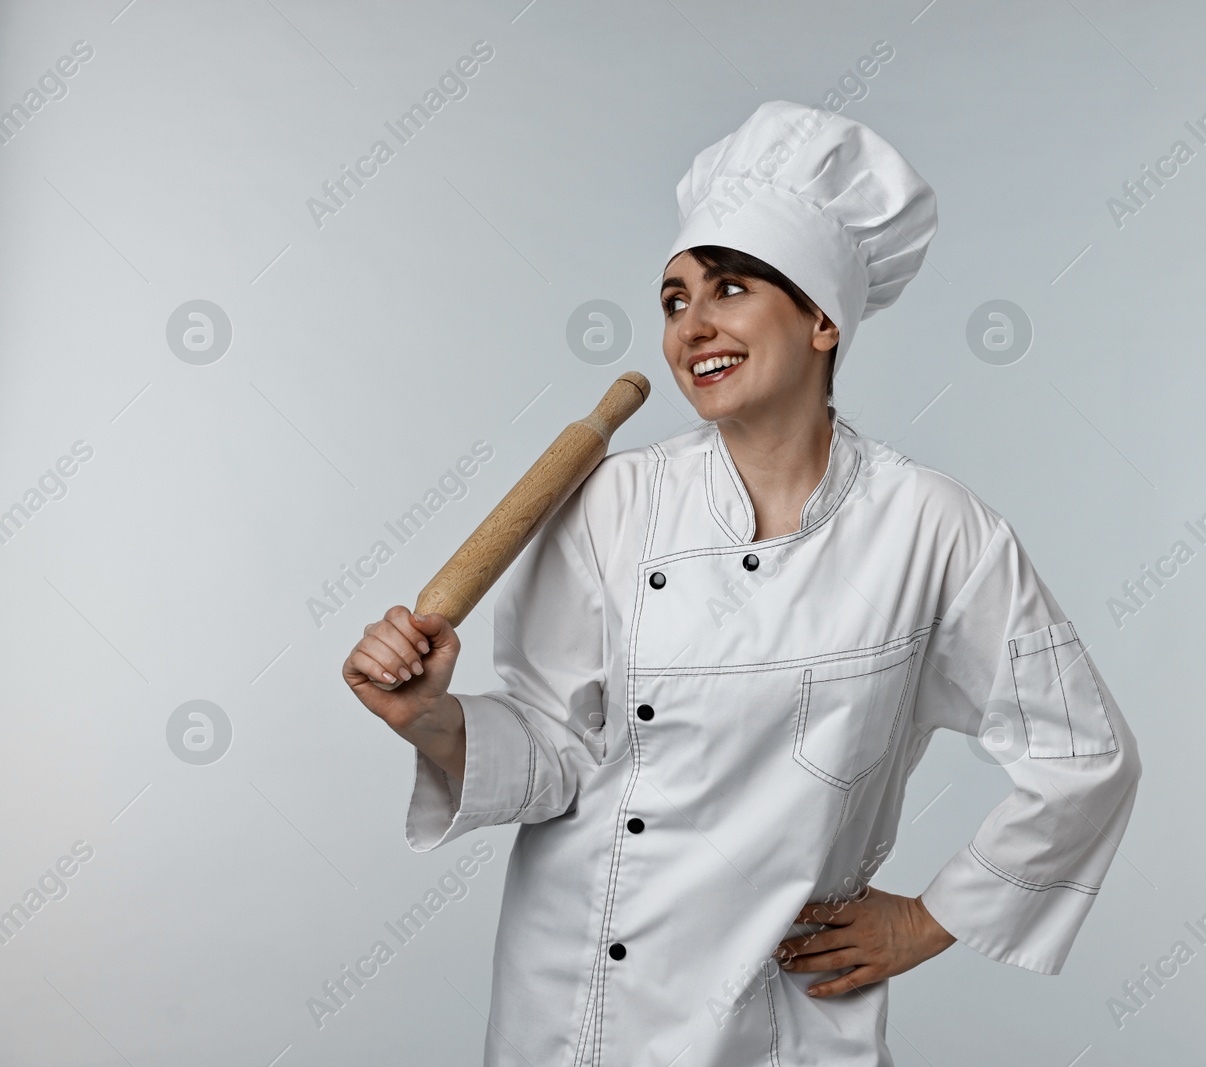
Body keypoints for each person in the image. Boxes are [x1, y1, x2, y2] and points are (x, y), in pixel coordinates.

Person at [343, 100, 1141, 1067]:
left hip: (774, 1013)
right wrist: (429, 718)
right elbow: (555, 748)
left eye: (728, 288)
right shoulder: (610, 501)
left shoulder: (932, 529)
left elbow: (1084, 753)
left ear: (820, 318)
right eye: (674, 299)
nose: (692, 326)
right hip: (574, 997)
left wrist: (933, 918)